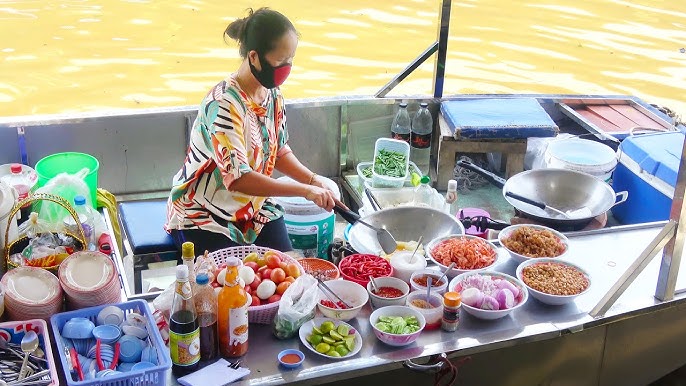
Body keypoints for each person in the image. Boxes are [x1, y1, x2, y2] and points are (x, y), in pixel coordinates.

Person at [165, 8, 342, 256]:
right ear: (254, 57)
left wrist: (314, 180)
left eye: (291, 60)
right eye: (281, 62)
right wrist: (305, 191)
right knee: (238, 283)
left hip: (254, 209)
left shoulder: (272, 93)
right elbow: (239, 179)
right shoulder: (224, 103)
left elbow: (278, 150)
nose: (287, 68)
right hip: (204, 216)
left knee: (288, 269)